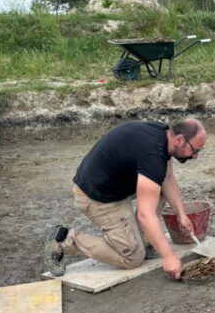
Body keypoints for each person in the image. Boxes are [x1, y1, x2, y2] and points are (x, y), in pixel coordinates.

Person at [43, 118, 206, 280]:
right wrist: (168, 256)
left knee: (159, 186)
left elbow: (167, 177)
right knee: (132, 258)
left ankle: (144, 240)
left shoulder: (162, 135)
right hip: (97, 198)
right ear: (179, 140)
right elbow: (145, 214)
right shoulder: (152, 155)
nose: (196, 156)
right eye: (195, 150)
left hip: (113, 185)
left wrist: (181, 215)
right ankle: (62, 239)